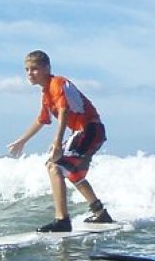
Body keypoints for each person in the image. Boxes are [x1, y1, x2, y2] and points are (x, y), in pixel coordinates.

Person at [7, 50, 114, 232]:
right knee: (73, 174)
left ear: (46, 68)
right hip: (88, 131)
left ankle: (62, 220)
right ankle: (100, 213)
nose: (29, 74)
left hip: (89, 129)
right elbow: (42, 119)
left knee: (54, 166)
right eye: (27, 70)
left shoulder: (57, 83)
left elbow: (63, 111)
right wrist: (22, 140)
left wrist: (58, 141)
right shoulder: (46, 93)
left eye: (34, 69)